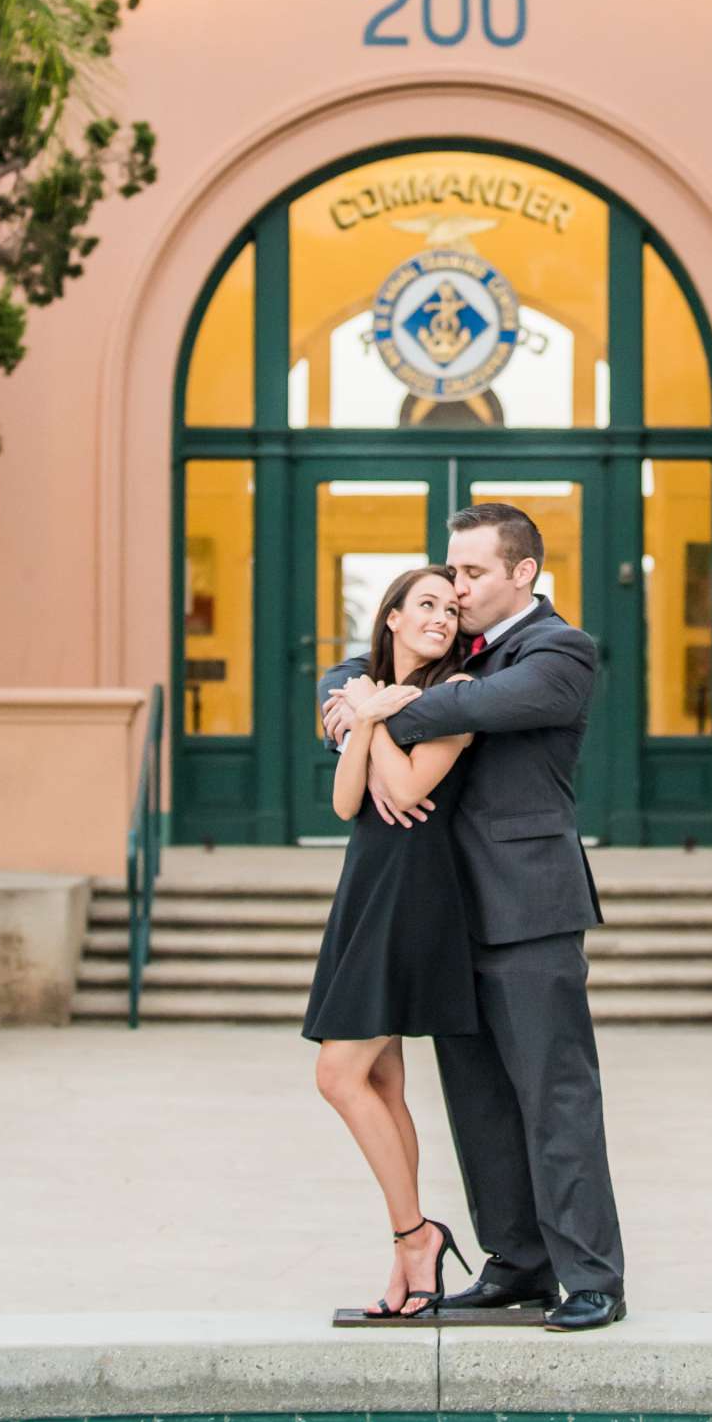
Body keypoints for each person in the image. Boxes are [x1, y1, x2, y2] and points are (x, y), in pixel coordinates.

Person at [320, 503, 626, 1333]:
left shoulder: (561, 650)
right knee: (480, 1105)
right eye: (451, 573)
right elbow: (356, 662)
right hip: (442, 913)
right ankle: (517, 1264)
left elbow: (471, 710)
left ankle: (591, 1275)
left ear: (523, 573)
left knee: (555, 1095)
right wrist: (344, 698)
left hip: (529, 907)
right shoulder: (455, 650)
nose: (456, 588)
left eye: (473, 573)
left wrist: (373, 710)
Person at [303, 564, 477, 1319]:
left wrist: (367, 713)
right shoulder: (369, 693)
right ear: (394, 618)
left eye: (451, 607)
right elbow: (347, 803)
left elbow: (405, 790)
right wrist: (370, 715)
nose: (442, 616)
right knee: (382, 1084)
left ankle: (417, 1236)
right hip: (367, 884)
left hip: (417, 892)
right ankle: (409, 1256)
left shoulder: (461, 697)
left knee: (338, 1076)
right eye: (427, 605)